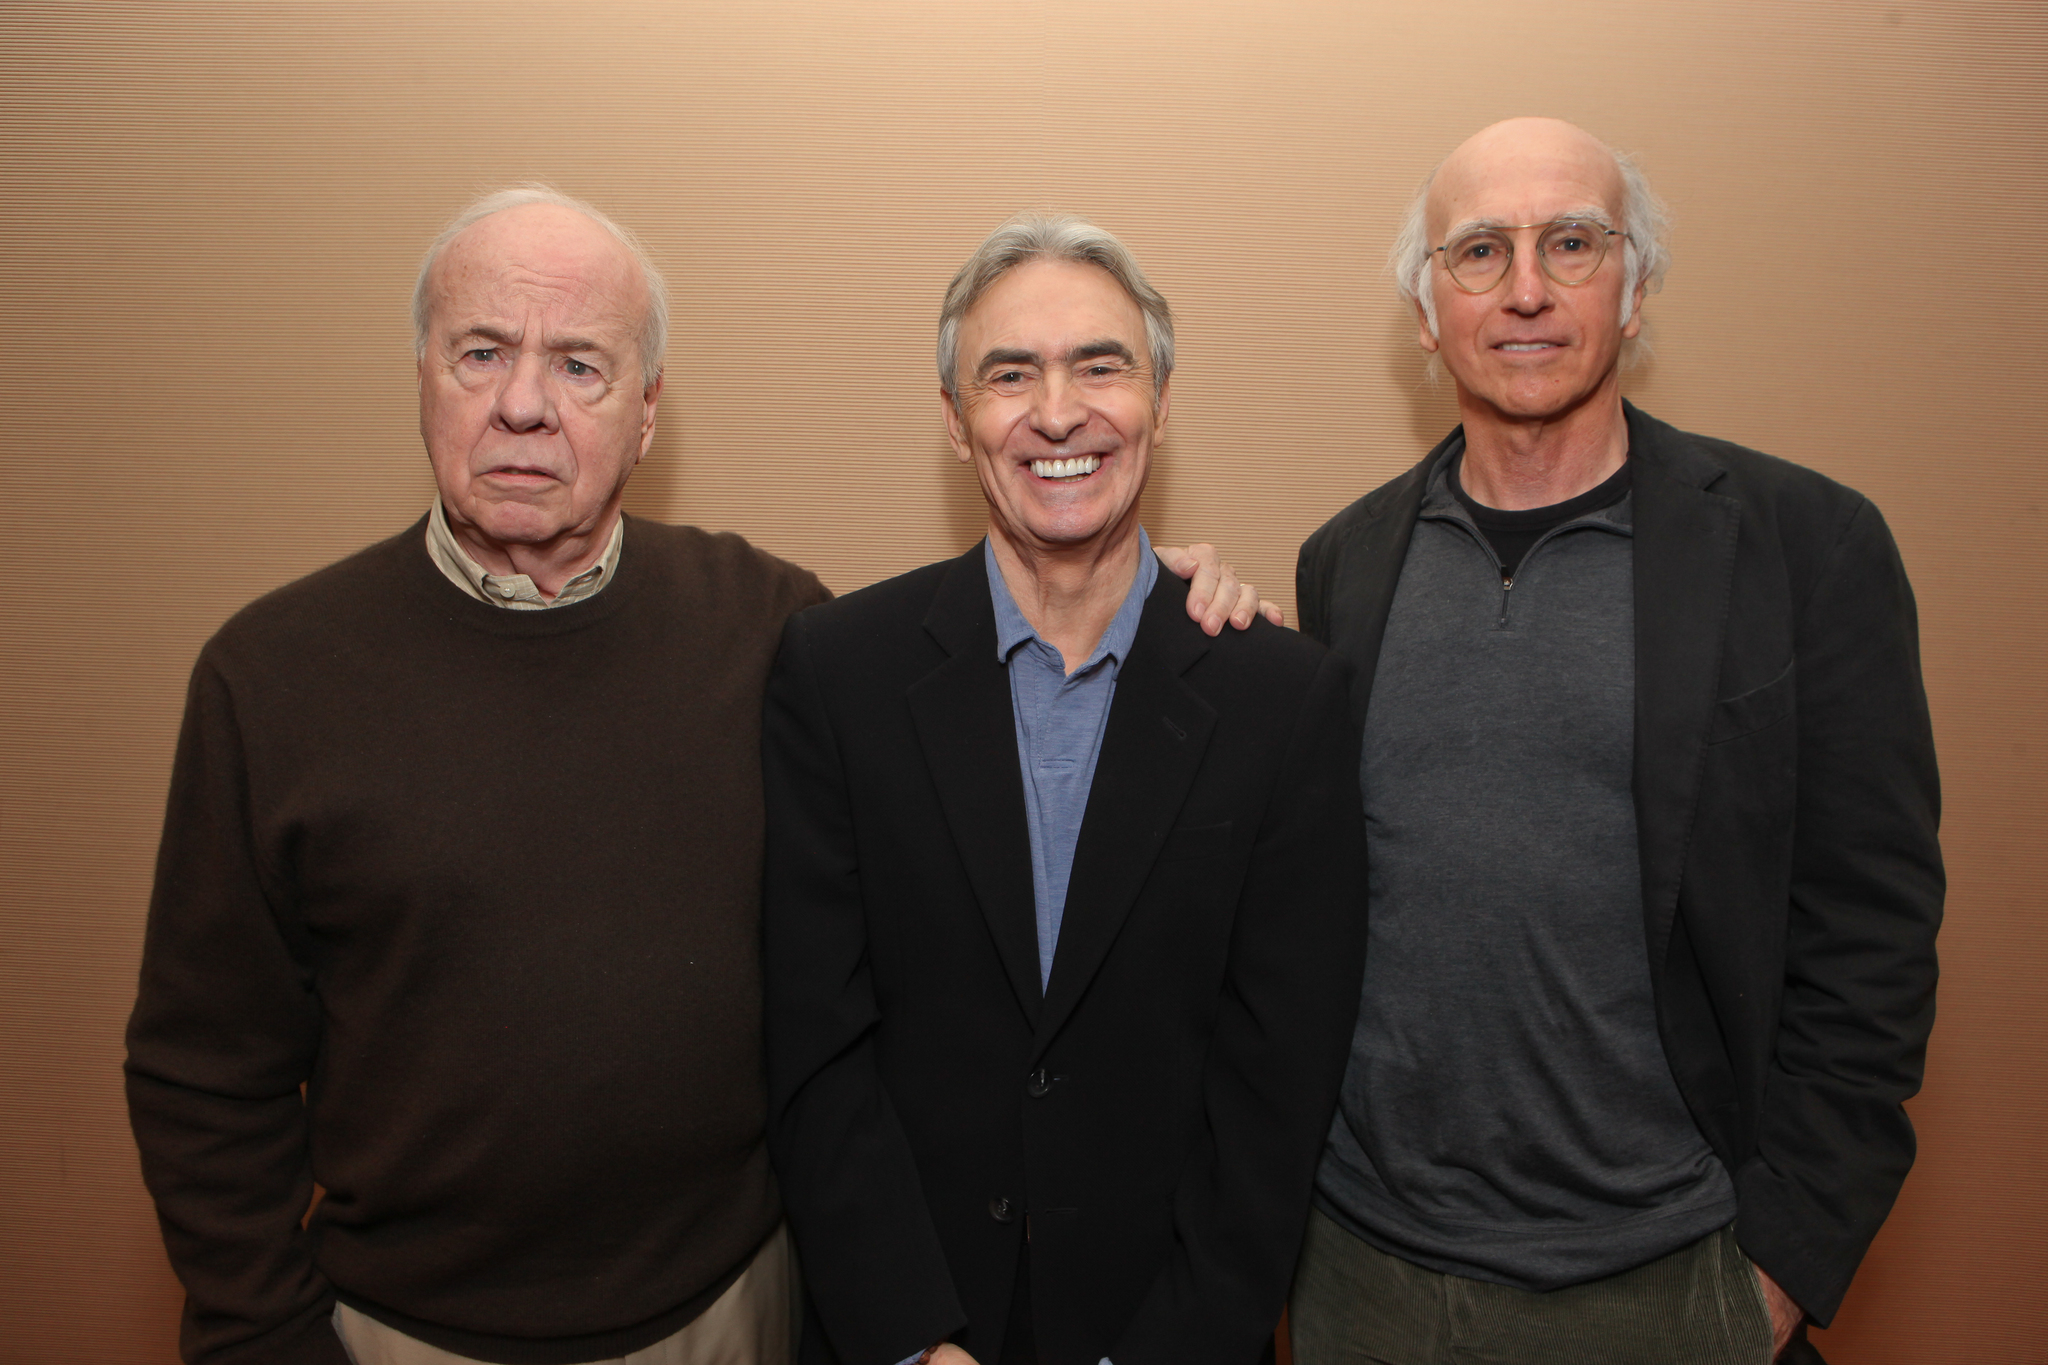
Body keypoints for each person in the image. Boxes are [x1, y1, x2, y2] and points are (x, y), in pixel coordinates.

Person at [124, 187, 1266, 1365]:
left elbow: (977, 717)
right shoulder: (272, 676)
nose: (523, 404)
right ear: (420, 372)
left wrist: (1156, 601)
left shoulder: (776, 631)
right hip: (404, 1332)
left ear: (648, 412)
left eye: (580, 365)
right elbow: (201, 1074)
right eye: (481, 353)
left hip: (739, 1316)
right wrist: (265, 1339)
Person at [1290, 118, 1943, 1365]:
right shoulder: (1344, 564)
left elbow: (1872, 937)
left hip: (1671, 1279)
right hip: (1359, 1275)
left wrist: (1775, 1276)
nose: (1524, 288)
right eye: (1478, 251)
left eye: (1570, 243)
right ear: (1424, 312)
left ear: (1634, 288)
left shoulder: (1804, 548)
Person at [760, 212, 1369, 1365]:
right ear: (954, 421)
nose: (1056, 413)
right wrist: (911, 1341)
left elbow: (1276, 1088)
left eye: (1101, 365)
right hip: (899, 1328)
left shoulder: (1280, 699)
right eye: (1008, 375)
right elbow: (816, 1052)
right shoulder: (835, 673)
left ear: (1162, 398)